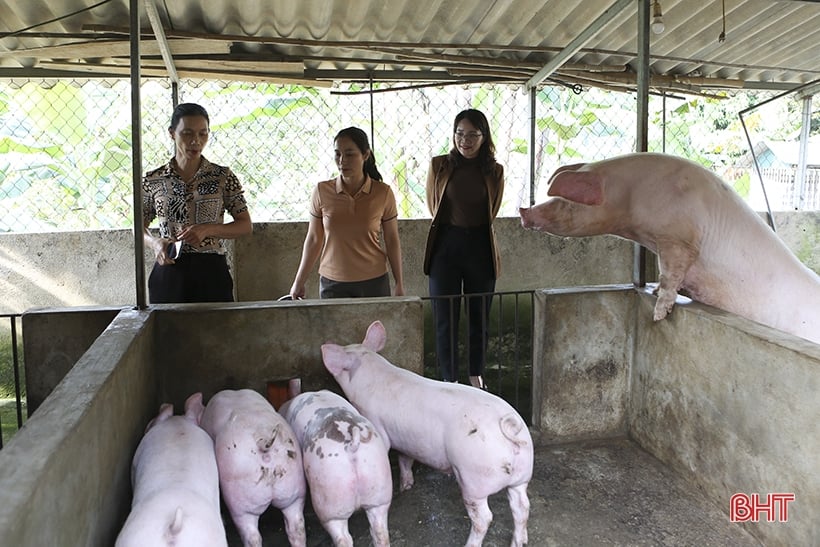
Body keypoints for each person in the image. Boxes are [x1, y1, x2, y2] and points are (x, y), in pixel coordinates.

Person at [423, 109, 504, 389]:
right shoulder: (440, 165)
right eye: (460, 133)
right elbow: (433, 204)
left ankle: (475, 375)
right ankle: (449, 379)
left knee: (479, 316)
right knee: (444, 317)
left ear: (484, 138)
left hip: (480, 245)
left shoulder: (494, 171)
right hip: (445, 245)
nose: (465, 140)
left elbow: (492, 209)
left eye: (472, 135)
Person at [142, 102, 252, 303]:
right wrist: (155, 243)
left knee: (214, 333)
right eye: (187, 133)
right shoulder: (154, 180)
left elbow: (245, 225)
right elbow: (137, 226)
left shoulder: (222, 177)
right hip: (168, 270)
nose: (196, 141)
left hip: (211, 271)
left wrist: (207, 230)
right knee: (168, 332)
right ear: (172, 133)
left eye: (203, 134)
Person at [289, 127, 404, 299]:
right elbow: (313, 239)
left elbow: (392, 239)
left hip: (374, 281)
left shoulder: (383, 193)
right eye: (337, 154)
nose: (342, 161)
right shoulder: (322, 191)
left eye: (350, 154)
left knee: (373, 327)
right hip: (332, 283)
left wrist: (399, 284)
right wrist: (299, 282)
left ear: (365, 155)